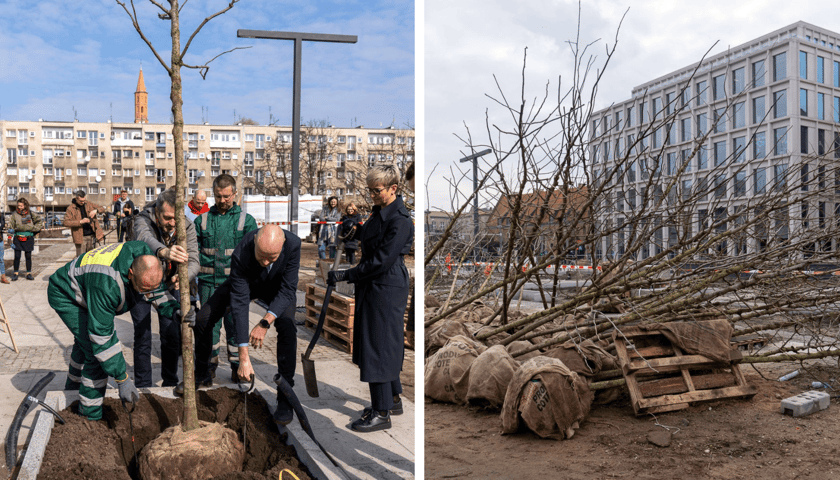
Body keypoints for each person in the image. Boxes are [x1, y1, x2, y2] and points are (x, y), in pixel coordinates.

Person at [47, 242, 189, 421]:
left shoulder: (145, 259)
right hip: (66, 294)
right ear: (130, 274)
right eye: (142, 290)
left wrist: (175, 311)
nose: (146, 296)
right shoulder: (106, 284)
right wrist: (122, 378)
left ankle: (73, 388)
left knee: (84, 340)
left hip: (89, 287)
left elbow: (155, 291)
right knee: (95, 354)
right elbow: (102, 338)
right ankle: (89, 417)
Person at [328, 165, 413, 433]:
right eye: (371, 190)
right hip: (375, 285)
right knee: (381, 341)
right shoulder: (380, 214)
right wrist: (354, 230)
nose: (373, 195)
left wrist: (346, 275)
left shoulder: (400, 220)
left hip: (385, 285)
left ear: (393, 189)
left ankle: (381, 412)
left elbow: (380, 261)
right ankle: (393, 399)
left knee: (379, 345)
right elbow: (371, 243)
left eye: (377, 191)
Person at [194, 224, 300, 425]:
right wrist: (244, 357)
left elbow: (288, 291)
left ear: (283, 246)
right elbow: (240, 304)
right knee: (203, 318)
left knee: (287, 325)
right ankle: (201, 373)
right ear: (254, 244)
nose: (266, 262)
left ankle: (285, 398)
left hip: (278, 290)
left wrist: (265, 322)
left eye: (272, 257)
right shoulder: (242, 251)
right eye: (262, 256)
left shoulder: (294, 244)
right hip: (248, 285)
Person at [131, 188, 199, 389]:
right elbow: (144, 238)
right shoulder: (143, 219)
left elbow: (194, 258)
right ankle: (143, 384)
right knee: (142, 335)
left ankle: (170, 381)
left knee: (171, 333)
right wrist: (164, 252)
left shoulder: (186, 226)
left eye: (175, 218)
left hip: (169, 284)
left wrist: (184, 276)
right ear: (156, 212)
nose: (172, 223)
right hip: (140, 285)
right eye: (167, 218)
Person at [194, 174, 257, 381]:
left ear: (235, 194)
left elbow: (253, 258)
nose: (222, 201)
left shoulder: (246, 221)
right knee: (208, 330)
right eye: (218, 196)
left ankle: (238, 368)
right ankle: (207, 368)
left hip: (234, 287)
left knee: (235, 327)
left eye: (227, 197)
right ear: (213, 194)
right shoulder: (201, 220)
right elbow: (192, 253)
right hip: (207, 286)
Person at [9, 197, 43, 281]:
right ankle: (15, 273)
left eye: (20, 206)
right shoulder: (14, 214)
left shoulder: (31, 214)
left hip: (28, 238)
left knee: (28, 256)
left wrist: (34, 229)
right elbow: (11, 226)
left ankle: (28, 274)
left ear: (25, 206)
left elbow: (39, 221)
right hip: (17, 238)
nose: (19, 207)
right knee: (17, 256)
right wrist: (9, 238)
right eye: (18, 205)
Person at [64, 190, 106, 257]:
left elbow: (103, 208)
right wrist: (80, 222)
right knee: (81, 259)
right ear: (77, 198)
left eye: (84, 200)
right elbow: (66, 222)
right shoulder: (70, 208)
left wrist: (96, 210)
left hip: (92, 236)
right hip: (80, 238)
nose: (83, 202)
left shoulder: (88, 204)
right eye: (81, 201)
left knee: (93, 258)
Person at [0, 213, 8, 284]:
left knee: (1, 259)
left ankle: (3, 276)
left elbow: (2, 225)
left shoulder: (1, 215)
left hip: (0, 240)